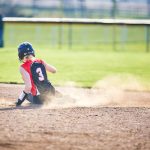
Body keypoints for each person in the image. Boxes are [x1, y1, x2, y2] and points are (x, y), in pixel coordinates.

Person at [15, 42, 57, 106]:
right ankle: (58, 96)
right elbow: (54, 70)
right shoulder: (40, 61)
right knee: (46, 86)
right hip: (51, 92)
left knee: (27, 95)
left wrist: (19, 102)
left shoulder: (23, 67)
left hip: (40, 99)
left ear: (21, 55)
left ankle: (49, 98)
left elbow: (28, 87)